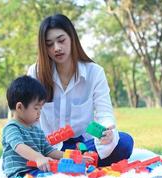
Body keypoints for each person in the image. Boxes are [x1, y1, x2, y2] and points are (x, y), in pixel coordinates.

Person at [27, 13, 134, 167]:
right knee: (23, 152)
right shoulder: (36, 73)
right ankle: (70, 161)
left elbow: (104, 114)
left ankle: (68, 162)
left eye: (61, 40)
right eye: (49, 44)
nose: (57, 48)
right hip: (50, 148)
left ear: (72, 38)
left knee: (125, 142)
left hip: (86, 145)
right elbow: (30, 118)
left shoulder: (94, 72)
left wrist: (107, 133)